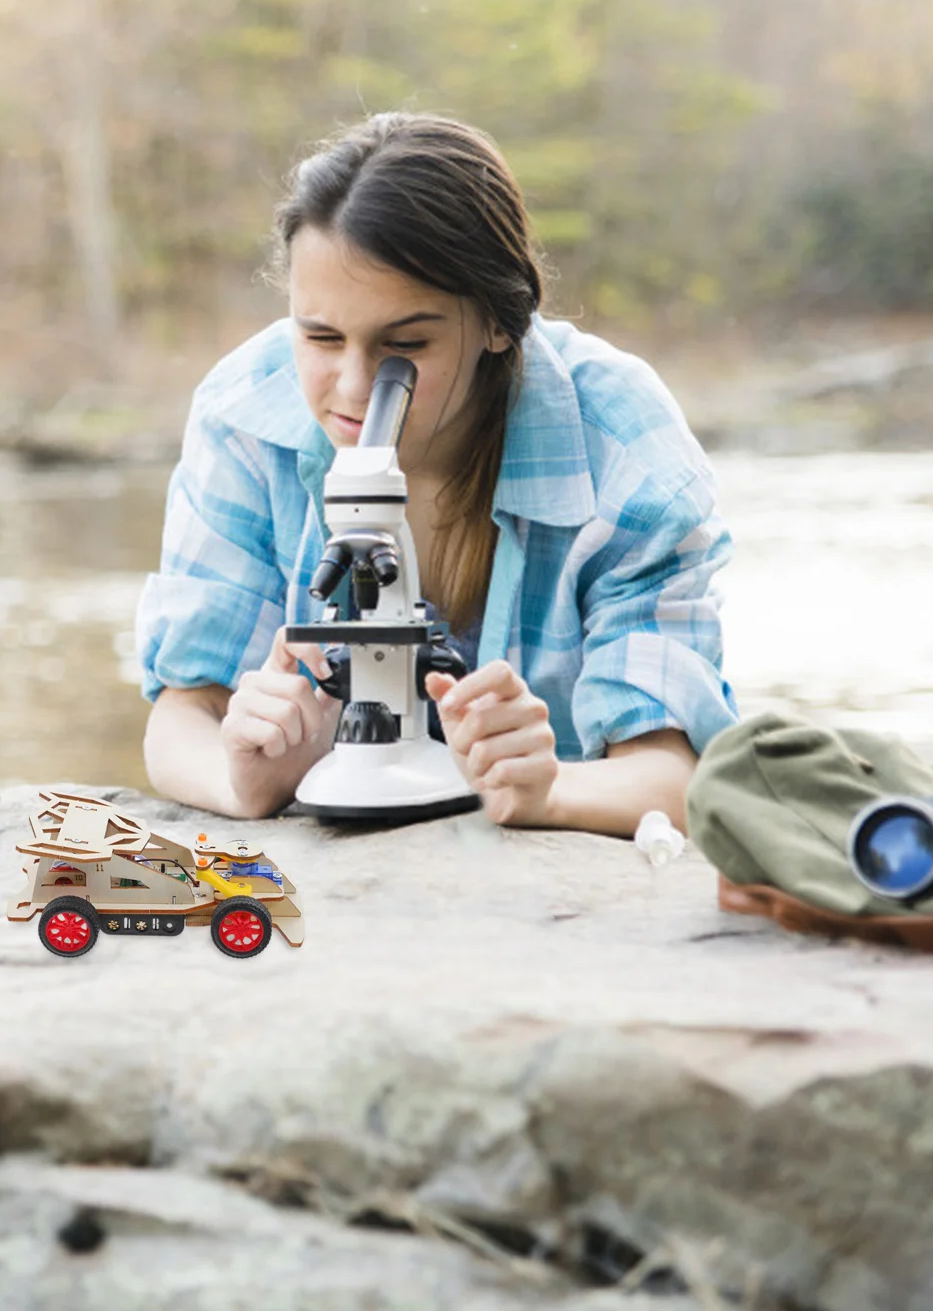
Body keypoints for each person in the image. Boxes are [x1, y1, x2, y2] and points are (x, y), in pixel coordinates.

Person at [137, 112, 737, 835]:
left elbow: (673, 771)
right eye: (320, 336)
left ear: (498, 321)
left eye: (406, 343)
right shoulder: (244, 413)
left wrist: (550, 790)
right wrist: (242, 777)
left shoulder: (624, 444)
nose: (355, 387)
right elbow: (184, 710)